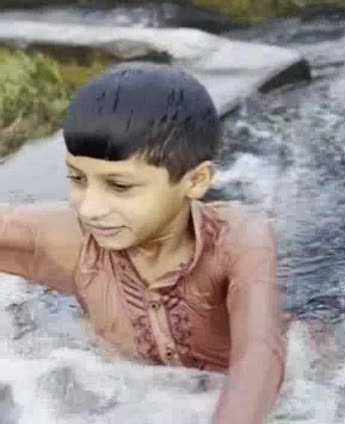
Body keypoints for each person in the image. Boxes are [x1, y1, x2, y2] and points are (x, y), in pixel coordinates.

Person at [0, 63, 286, 424]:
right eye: (77, 178)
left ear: (196, 181)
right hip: (131, 391)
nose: (90, 207)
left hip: (260, 393)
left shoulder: (238, 242)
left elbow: (259, 354)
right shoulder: (70, 241)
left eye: (119, 187)